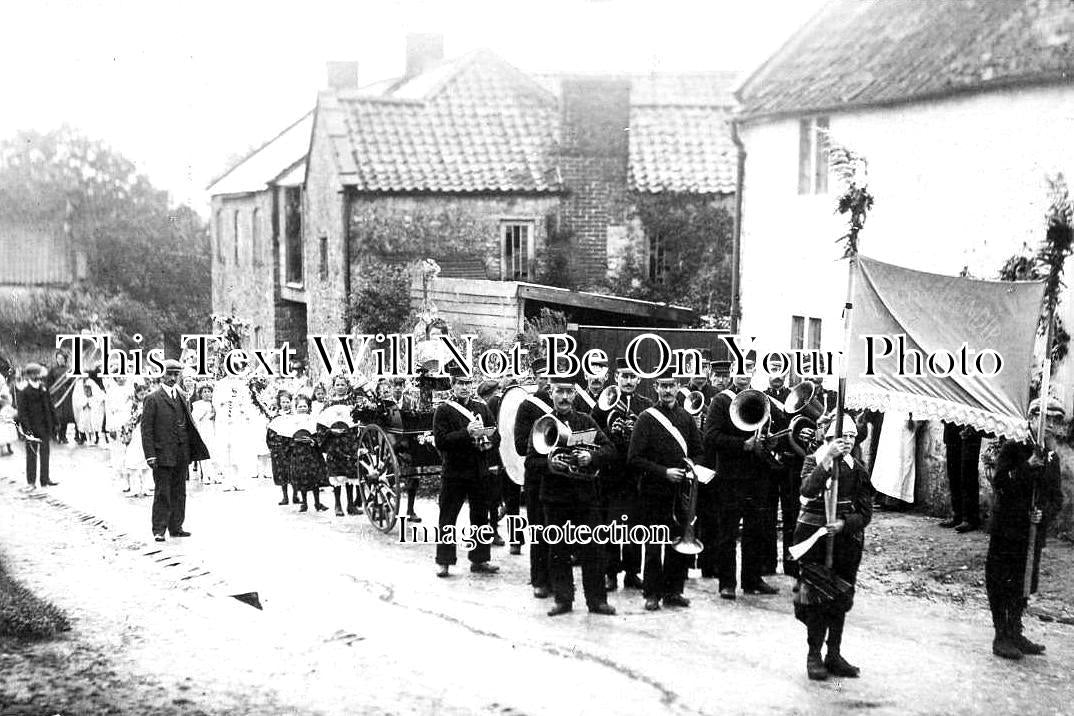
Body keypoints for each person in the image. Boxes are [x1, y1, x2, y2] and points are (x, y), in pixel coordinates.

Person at [792, 416, 874, 681]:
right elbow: (806, 488)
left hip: (845, 542)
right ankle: (813, 655)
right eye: (842, 437)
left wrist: (844, 523)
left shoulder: (858, 469)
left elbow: (865, 513)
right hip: (813, 540)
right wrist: (827, 459)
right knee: (816, 598)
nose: (847, 441)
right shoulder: (813, 460)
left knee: (839, 597)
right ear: (829, 439)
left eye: (852, 436)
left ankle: (834, 654)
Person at [986, 396, 1065, 660]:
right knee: (1002, 581)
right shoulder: (1014, 447)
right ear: (1032, 419)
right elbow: (999, 484)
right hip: (1007, 530)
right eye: (1046, 419)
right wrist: (1025, 468)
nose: (1051, 426)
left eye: (1056, 421)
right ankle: (1001, 635)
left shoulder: (1051, 457)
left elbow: (1056, 498)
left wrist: (1043, 514)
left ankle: (1015, 630)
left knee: (1023, 583)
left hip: (1032, 533)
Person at [536, 378, 616, 616]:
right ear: (551, 392)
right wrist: (550, 463)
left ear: (574, 394)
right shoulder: (542, 423)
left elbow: (610, 449)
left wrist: (591, 458)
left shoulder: (586, 420)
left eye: (569, 392)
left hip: (585, 497)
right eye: (559, 391)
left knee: (593, 550)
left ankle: (597, 601)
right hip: (555, 498)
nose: (564, 397)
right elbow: (530, 461)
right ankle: (563, 599)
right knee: (558, 550)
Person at [627, 366, 703, 611]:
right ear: (656, 388)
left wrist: (691, 470)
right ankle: (652, 594)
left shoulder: (686, 418)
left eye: (672, 385)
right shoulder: (646, 418)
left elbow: (698, 451)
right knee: (653, 546)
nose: (668, 390)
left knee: (679, 542)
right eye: (663, 385)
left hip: (681, 492)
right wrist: (664, 472)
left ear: (677, 386)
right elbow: (634, 459)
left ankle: (674, 591)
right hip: (653, 492)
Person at [703, 354, 778, 598]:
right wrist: (741, 445)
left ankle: (752, 579)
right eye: (740, 369)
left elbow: (770, 428)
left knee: (755, 530)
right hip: (730, 477)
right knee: (728, 531)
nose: (744, 374)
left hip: (756, 476)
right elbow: (711, 436)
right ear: (733, 370)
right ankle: (727, 583)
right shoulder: (720, 401)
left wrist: (768, 441)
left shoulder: (760, 399)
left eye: (749, 369)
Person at [432, 365, 500, 578]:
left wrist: (489, 443)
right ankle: (444, 562)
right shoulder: (444, 410)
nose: (464, 387)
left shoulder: (481, 408)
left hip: (478, 471)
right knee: (448, 517)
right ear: (453, 385)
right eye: (460, 383)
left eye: (468, 383)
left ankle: (479, 560)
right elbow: (441, 441)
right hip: (454, 472)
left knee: (480, 516)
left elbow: (496, 435)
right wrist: (466, 432)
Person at [593, 357, 651, 591]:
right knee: (610, 524)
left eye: (632, 376)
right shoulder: (602, 403)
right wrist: (610, 430)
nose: (628, 381)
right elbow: (592, 435)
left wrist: (637, 429)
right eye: (624, 376)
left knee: (635, 525)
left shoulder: (645, 404)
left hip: (635, 474)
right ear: (616, 377)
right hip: (610, 472)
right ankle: (610, 573)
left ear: (638, 379)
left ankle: (632, 572)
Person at [141, 360, 209, 542]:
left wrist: (189, 450)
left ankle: (176, 527)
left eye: (175, 374)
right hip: (162, 454)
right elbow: (146, 430)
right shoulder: (152, 398)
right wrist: (150, 455)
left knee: (179, 491)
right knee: (163, 492)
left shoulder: (181, 397)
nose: (172, 378)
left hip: (181, 453)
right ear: (161, 374)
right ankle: (159, 529)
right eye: (169, 374)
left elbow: (187, 424)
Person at [513, 357, 554, 597]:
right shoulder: (527, 406)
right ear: (536, 379)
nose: (548, 383)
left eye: (552, 379)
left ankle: (558, 579)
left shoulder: (568, 402)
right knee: (539, 529)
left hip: (561, 476)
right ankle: (539, 580)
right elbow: (519, 446)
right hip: (538, 476)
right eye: (543, 378)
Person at [760, 373, 792, 576]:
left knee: (791, 513)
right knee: (766, 514)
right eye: (773, 369)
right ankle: (767, 564)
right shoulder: (760, 397)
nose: (777, 376)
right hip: (767, 464)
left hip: (790, 462)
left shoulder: (795, 396)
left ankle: (792, 565)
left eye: (781, 370)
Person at [475, 379, 506, 545]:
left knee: (494, 494)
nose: (498, 393)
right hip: (481, 457)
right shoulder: (487, 406)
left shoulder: (494, 404)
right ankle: (488, 531)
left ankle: (492, 529)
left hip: (493, 454)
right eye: (495, 391)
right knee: (486, 495)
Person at [15, 363, 57, 488]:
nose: (37, 375)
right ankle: (31, 482)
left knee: (45, 454)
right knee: (31, 455)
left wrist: (55, 422)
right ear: (29, 375)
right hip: (31, 428)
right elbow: (22, 413)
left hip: (44, 427)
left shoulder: (43, 388)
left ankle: (45, 479)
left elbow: (50, 406)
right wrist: (27, 429)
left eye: (38, 373)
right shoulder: (24, 391)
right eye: (34, 373)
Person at [940, 422, 985, 532]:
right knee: (953, 473)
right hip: (952, 428)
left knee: (968, 473)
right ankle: (957, 514)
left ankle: (970, 518)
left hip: (970, 428)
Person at [289, 392, 329, 513]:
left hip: (311, 453)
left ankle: (317, 503)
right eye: (299, 406)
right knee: (302, 479)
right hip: (298, 452)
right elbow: (288, 437)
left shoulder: (313, 420)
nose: (302, 408)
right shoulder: (292, 421)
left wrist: (313, 441)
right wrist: (295, 441)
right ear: (296, 408)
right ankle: (304, 503)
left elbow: (318, 436)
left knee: (314, 478)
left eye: (304, 406)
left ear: (308, 407)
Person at [266, 389, 299, 505]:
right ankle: (285, 496)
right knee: (282, 472)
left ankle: (295, 495)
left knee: (294, 470)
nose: (286, 404)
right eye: (283, 402)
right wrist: (274, 446)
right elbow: (270, 434)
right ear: (279, 403)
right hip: (280, 448)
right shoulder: (276, 417)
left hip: (292, 447)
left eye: (288, 402)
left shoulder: (295, 417)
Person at [190, 383, 225, 485]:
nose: (207, 394)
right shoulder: (197, 405)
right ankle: (206, 476)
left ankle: (215, 476)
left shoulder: (214, 404)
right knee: (205, 455)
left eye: (209, 391)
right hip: (203, 430)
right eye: (204, 392)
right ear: (201, 394)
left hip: (213, 430)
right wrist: (206, 413)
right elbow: (195, 419)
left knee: (214, 454)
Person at [122, 382, 152, 498]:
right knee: (133, 460)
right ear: (136, 395)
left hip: (147, 434)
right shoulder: (132, 405)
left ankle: (146, 487)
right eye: (141, 394)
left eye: (145, 393)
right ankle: (134, 488)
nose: (143, 396)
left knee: (146, 460)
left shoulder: (150, 404)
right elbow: (127, 420)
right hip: (135, 434)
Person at [46, 349, 75, 443]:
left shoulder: (69, 370)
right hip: (55, 396)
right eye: (58, 358)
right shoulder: (52, 370)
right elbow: (48, 383)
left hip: (66, 395)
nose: (60, 360)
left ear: (65, 359)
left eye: (61, 358)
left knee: (65, 417)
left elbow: (72, 383)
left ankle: (63, 436)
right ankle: (54, 434)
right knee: (56, 415)